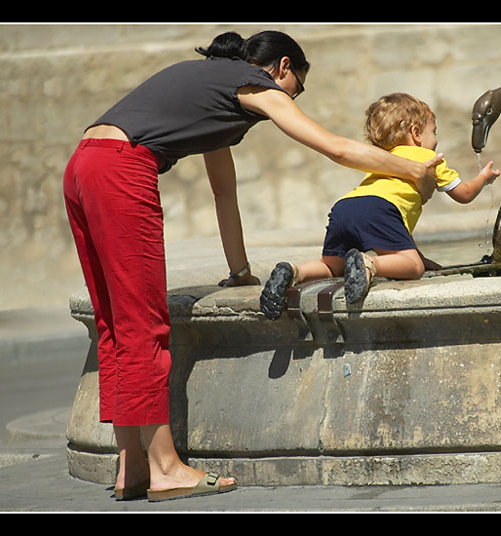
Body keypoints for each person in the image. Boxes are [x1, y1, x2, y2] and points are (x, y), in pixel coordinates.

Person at [63, 30, 445, 502]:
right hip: (121, 171)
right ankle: (165, 468)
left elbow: (223, 190)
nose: (292, 99)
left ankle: (133, 466)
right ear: (283, 68)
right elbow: (335, 148)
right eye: (297, 88)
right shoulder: (253, 85)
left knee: (117, 323)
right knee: (144, 323)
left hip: (84, 165)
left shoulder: (211, 89)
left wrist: (240, 270)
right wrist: (412, 169)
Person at [260, 92, 501, 319]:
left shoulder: (383, 162)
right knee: (414, 268)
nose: (436, 141)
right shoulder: (429, 160)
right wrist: (483, 178)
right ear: (416, 133)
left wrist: (423, 258)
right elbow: (464, 194)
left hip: (345, 207)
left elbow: (398, 232)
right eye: (434, 132)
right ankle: (369, 264)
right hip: (379, 208)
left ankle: (294, 272)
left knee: (332, 267)